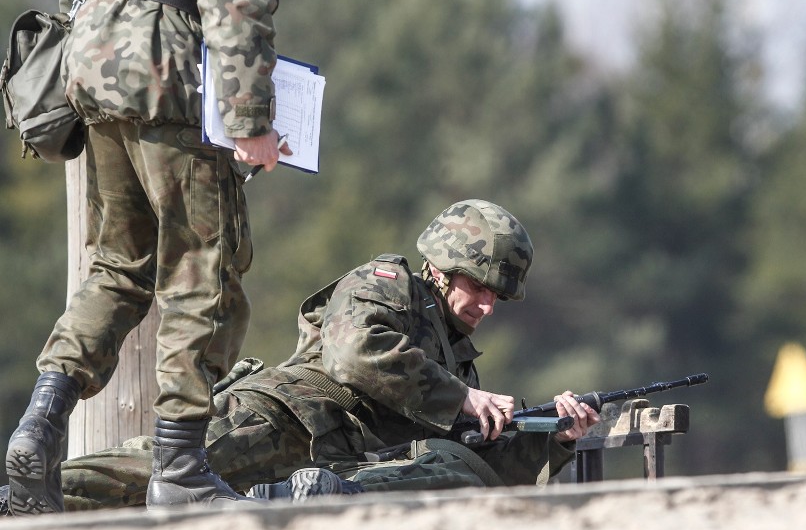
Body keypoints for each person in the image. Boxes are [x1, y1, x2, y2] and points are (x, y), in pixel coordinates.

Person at [6, 199, 600, 512]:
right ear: (444, 270)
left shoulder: (455, 359)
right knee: (128, 479)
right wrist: (461, 397)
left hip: (324, 466)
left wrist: (555, 436)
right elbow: (352, 353)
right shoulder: (385, 283)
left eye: (499, 296)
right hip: (281, 420)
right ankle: (12, 501)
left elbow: (482, 467)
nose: (489, 306)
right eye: (481, 287)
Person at [4, 0, 292, 516]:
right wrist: (251, 119)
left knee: (118, 268)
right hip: (166, 64)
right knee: (202, 269)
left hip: (92, 60)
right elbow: (237, 1)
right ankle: (180, 466)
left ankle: (38, 430)